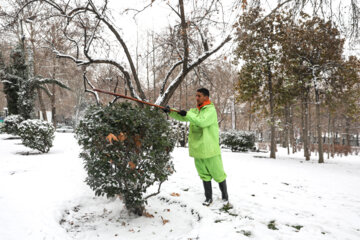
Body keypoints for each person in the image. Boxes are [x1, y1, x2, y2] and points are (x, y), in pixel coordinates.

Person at [163, 88, 229, 206]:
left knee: (218, 173)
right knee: (203, 174)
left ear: (206, 97)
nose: (197, 98)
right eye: (196, 96)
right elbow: (183, 116)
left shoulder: (210, 110)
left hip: (210, 149)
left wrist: (187, 114)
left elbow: (202, 122)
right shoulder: (195, 110)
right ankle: (208, 198)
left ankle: (225, 196)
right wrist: (170, 112)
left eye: (199, 96)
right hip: (198, 149)